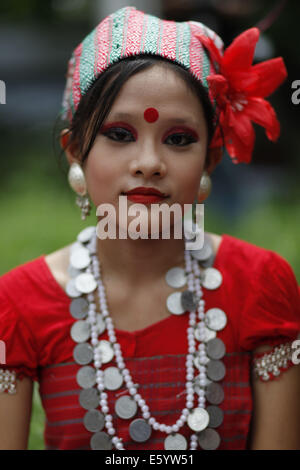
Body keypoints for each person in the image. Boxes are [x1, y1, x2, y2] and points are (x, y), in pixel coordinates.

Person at [0, 5, 300, 451]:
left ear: (210, 160)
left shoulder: (261, 285)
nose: (148, 164)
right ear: (75, 151)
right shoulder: (19, 304)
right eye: (119, 134)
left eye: (179, 140)